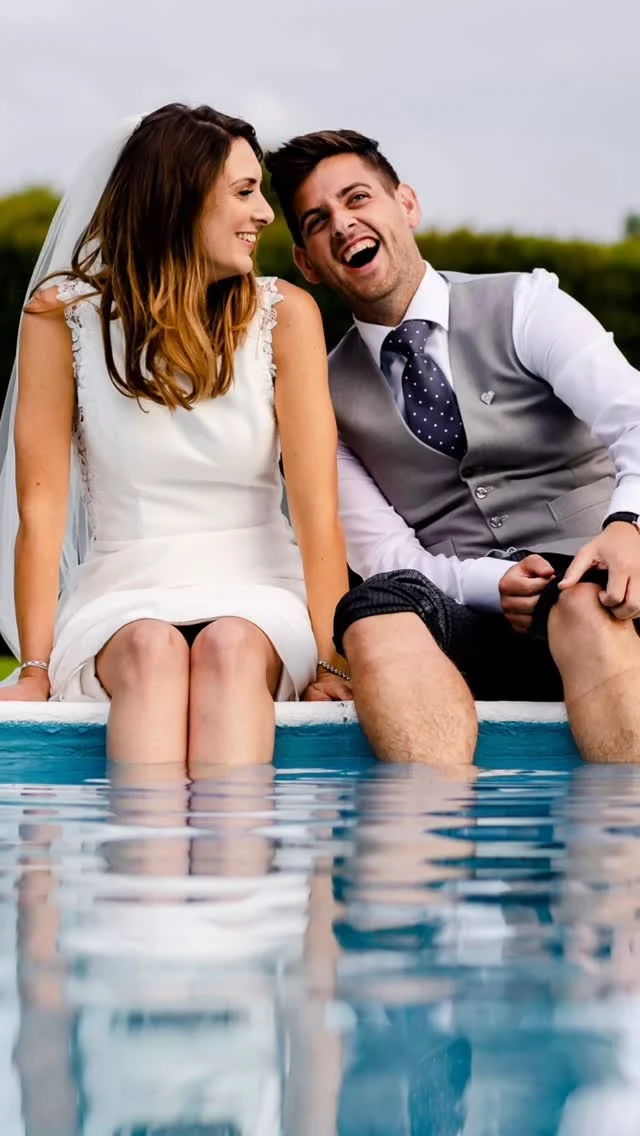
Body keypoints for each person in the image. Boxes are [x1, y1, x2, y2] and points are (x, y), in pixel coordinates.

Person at [266, 129, 640, 765]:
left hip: (600, 587)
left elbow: (634, 420)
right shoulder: (320, 395)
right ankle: (428, 846)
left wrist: (629, 524)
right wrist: (491, 583)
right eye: (318, 220)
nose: (343, 224)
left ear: (406, 205)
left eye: (359, 198)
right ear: (307, 263)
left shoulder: (524, 304)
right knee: (371, 609)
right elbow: (384, 553)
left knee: (581, 604)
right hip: (467, 614)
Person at [0, 104, 352, 768]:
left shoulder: (286, 317)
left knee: (228, 649)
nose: (265, 215)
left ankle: (237, 869)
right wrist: (36, 665)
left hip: (260, 590)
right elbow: (40, 509)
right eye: (244, 193)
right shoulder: (60, 318)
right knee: (152, 652)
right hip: (120, 591)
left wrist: (334, 661)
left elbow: (315, 511)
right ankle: (147, 869)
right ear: (180, 200)